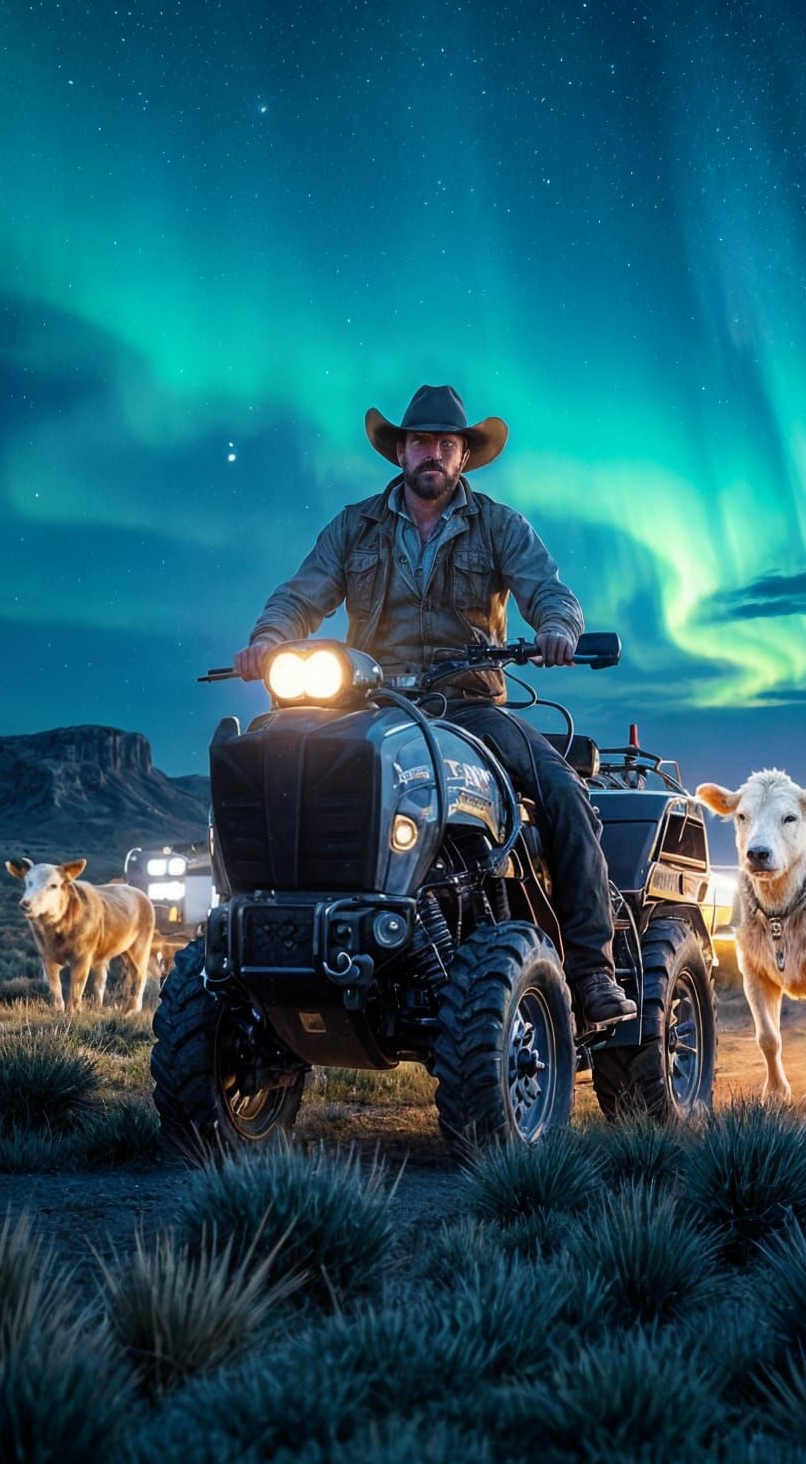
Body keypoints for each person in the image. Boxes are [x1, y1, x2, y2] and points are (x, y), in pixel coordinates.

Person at [233, 384, 636, 1029]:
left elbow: (546, 589)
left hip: (470, 704)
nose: (434, 453)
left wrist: (558, 627)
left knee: (563, 793)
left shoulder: (500, 526)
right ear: (400, 450)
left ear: (463, 456)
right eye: (421, 441)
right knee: (274, 754)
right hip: (368, 703)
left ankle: (591, 971)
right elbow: (301, 594)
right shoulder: (354, 526)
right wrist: (266, 639)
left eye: (447, 444)